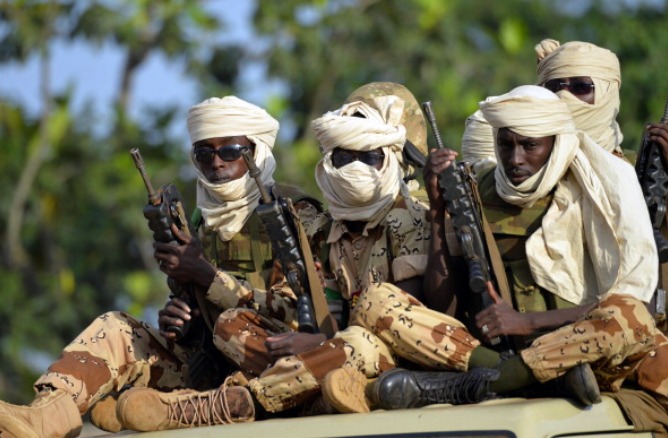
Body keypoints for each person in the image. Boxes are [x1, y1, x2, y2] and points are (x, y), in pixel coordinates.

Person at [112, 83, 496, 431]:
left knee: (368, 321)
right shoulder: (318, 228)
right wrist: (307, 336)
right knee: (232, 325)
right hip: (331, 356)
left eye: (368, 159)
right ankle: (324, 398)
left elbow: (437, 310)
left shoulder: (415, 220)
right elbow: (299, 303)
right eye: (342, 159)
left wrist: (439, 216)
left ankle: (224, 405)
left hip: (396, 353)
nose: (354, 170)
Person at [329, 86, 668, 433]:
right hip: (497, 353)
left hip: (581, 352)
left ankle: (484, 384)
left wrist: (525, 323)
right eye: (506, 145)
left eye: (529, 145)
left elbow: (638, 300)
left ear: (557, 142)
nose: (515, 159)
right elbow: (444, 307)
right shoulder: (480, 191)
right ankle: (528, 380)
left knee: (633, 316)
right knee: (375, 302)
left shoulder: (602, 185)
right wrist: (436, 213)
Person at [0, 95, 322, 436]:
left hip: (278, 366)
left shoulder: (294, 214)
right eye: (203, 153)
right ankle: (45, 417)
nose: (217, 162)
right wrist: (182, 319)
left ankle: (186, 406)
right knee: (116, 328)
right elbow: (196, 313)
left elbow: (296, 313)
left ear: (256, 152)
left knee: (232, 324)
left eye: (230, 151)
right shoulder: (201, 222)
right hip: (211, 363)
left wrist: (207, 276)